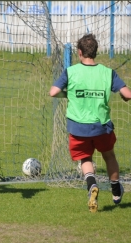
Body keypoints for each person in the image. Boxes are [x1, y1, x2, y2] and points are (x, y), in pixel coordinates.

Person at [49, 33, 131, 213]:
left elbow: (53, 92)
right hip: (102, 127)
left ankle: (92, 184)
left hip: (78, 128)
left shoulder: (71, 72)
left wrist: (68, 94)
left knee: (85, 158)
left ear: (79, 52)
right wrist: (124, 98)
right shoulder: (108, 72)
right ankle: (116, 190)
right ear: (96, 52)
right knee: (109, 156)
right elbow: (128, 94)